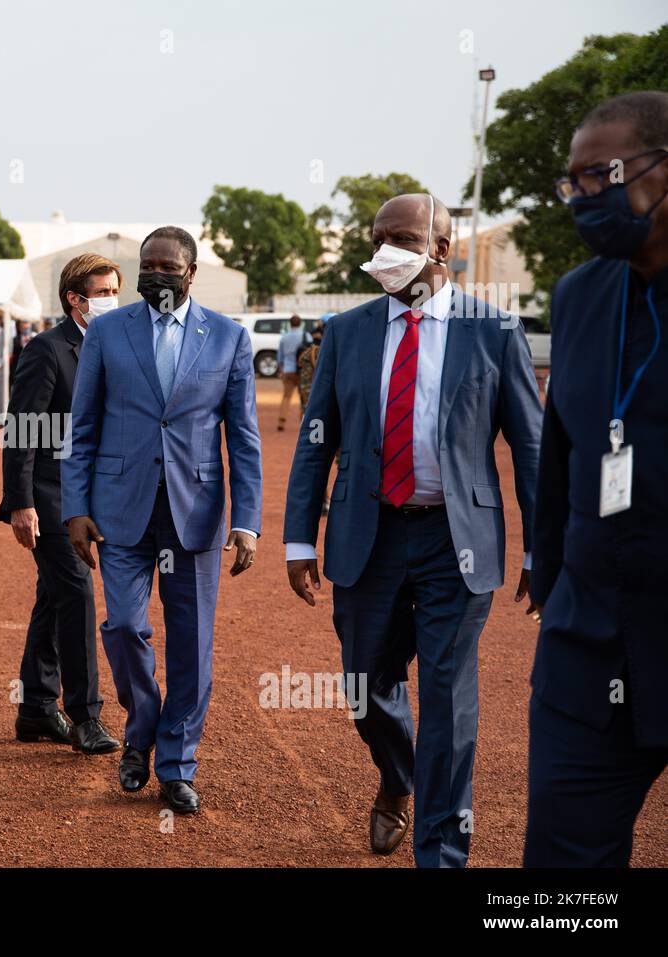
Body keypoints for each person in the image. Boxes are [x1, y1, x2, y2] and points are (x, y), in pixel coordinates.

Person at [283, 193, 542, 867]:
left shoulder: (496, 332)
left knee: (449, 700)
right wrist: (299, 536)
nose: (385, 250)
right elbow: (316, 441)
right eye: (377, 238)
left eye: (400, 237)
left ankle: (441, 852)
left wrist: (543, 547)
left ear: (440, 249)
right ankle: (397, 777)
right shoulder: (348, 332)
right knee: (366, 686)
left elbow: (533, 449)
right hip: (366, 535)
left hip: (455, 540)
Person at [63, 226, 262, 815]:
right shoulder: (107, 331)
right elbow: (84, 426)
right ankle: (142, 724)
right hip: (118, 512)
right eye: (147, 267)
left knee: (193, 648)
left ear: (190, 273)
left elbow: (245, 439)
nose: (155, 277)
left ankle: (176, 765)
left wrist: (246, 520)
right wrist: (75, 506)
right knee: (123, 626)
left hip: (194, 515)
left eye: (167, 268)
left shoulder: (229, 338)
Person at [525, 91, 668, 867]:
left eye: (601, 175)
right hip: (589, 654)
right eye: (572, 182)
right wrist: (552, 588)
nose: (584, 197)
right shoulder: (579, 297)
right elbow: (560, 456)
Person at [0, 253, 123, 755]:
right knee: (77, 594)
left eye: (116, 289)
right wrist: (19, 502)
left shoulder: (115, 344)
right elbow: (22, 429)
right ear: (75, 297)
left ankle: (35, 709)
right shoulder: (46, 350)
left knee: (53, 597)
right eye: (103, 291)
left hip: (95, 494)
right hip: (48, 495)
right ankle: (86, 715)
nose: (112, 299)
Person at [276, 314, 307, 431]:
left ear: (290, 323)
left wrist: (281, 368)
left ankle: (281, 421)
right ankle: (303, 422)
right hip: (302, 370)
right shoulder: (306, 336)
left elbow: (280, 356)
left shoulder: (284, 337)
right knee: (303, 398)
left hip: (288, 369)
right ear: (301, 323)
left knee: (286, 397)